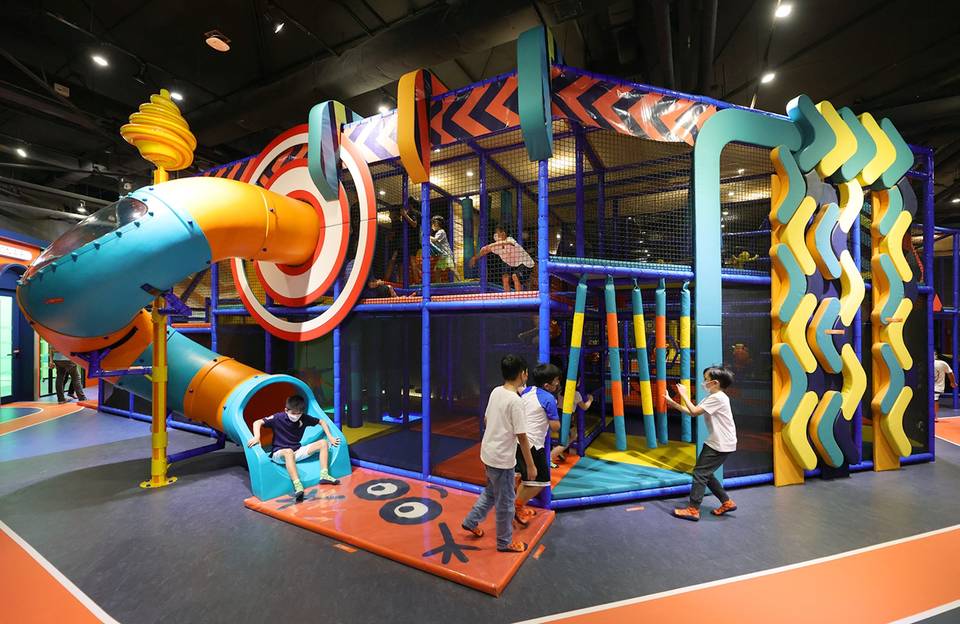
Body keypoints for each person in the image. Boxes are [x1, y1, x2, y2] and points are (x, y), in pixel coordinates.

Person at [461, 354, 535, 553]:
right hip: (502, 460)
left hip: (488, 453)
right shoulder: (516, 401)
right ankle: (504, 542)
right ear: (522, 374)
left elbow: (487, 420)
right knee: (506, 502)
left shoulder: (496, 391)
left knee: (492, 492)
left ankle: (471, 521)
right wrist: (530, 465)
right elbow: (522, 437)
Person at [664, 366, 737, 521]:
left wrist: (684, 394)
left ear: (715, 383)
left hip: (720, 443)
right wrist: (672, 403)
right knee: (705, 473)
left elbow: (694, 411)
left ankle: (693, 509)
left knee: (700, 473)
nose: (704, 382)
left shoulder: (718, 398)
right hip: (720, 441)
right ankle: (727, 502)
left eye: (706, 379)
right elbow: (693, 412)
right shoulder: (712, 397)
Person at [247, 394, 341, 502]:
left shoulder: (304, 418)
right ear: (286, 410)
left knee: (323, 443)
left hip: (296, 451)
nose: (296, 416)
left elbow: (322, 421)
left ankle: (324, 475)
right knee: (288, 452)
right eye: (293, 413)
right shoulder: (278, 417)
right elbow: (257, 422)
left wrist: (330, 436)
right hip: (280, 454)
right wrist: (257, 437)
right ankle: (298, 485)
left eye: (299, 413)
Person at [514, 363, 562, 525]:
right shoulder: (549, 399)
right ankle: (515, 507)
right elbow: (555, 426)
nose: (558, 383)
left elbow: (519, 389)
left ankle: (517, 507)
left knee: (527, 481)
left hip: (518, 440)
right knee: (541, 482)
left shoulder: (527, 391)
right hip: (533, 444)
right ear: (547, 385)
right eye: (556, 381)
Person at [469, 226, 534, 292]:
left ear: (503, 233)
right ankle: (507, 297)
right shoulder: (497, 247)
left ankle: (518, 297)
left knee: (515, 276)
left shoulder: (510, 239)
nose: (495, 235)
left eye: (497, 233)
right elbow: (485, 251)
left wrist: (490, 245)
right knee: (505, 277)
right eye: (494, 234)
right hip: (513, 264)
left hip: (526, 263)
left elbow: (507, 243)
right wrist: (475, 258)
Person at [553, 386, 593, 465]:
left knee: (573, 434)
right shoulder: (576, 393)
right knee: (565, 440)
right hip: (566, 417)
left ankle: (558, 449)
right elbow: (584, 407)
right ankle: (553, 454)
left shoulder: (561, 390)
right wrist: (590, 400)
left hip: (559, 415)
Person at [430, 215, 459, 282]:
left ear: (437, 224)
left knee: (452, 269)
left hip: (447, 254)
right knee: (437, 270)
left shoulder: (441, 231)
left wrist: (427, 236)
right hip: (443, 256)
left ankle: (461, 282)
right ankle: (438, 284)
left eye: (433, 224)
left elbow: (435, 240)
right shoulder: (438, 232)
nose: (432, 226)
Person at [934, 353, 957, 422]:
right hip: (928, 386)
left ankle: (935, 416)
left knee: (934, 399)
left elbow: (950, 372)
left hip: (937, 386)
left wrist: (953, 382)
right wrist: (952, 382)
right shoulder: (925, 363)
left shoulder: (942, 363)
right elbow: (950, 373)